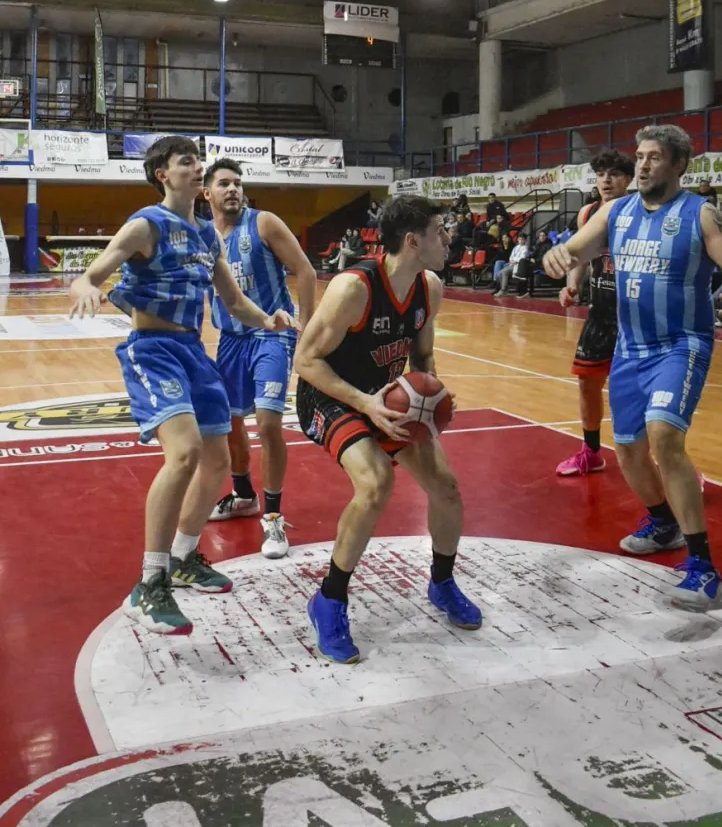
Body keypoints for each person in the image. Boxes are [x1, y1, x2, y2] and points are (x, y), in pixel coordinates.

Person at [69, 136, 295, 635]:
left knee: (218, 459)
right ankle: (150, 582)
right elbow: (95, 272)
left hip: (195, 352)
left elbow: (234, 302)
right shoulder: (146, 225)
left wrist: (270, 321)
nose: (197, 168)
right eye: (186, 162)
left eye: (198, 161)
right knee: (186, 453)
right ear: (163, 175)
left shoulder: (207, 237)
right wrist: (86, 285)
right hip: (153, 350)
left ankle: (185, 557)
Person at [544, 124, 722, 611]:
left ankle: (704, 567)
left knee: (664, 436)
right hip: (630, 348)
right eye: (639, 157)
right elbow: (574, 249)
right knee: (628, 451)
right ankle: (663, 523)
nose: (642, 165)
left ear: (679, 164)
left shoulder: (701, 215)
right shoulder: (616, 211)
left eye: (654, 158)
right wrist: (557, 256)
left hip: (681, 344)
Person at [294, 194, 482, 663]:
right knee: (376, 482)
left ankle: (442, 584)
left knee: (447, 487)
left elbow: (421, 355)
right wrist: (363, 403)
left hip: (388, 396)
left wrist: (431, 393)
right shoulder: (353, 287)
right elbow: (305, 361)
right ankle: (329, 600)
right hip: (333, 395)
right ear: (414, 241)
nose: (449, 237)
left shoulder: (430, 286)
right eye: (441, 230)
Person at [203, 158, 316, 558]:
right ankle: (244, 494)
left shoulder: (263, 222)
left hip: (271, 334)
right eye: (224, 184)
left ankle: (272, 517)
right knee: (229, 423)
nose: (233, 189)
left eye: (238, 183)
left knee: (268, 424)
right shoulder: (203, 237)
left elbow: (305, 270)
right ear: (207, 193)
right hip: (230, 340)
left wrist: (308, 328)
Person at [555, 149, 634, 476]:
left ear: (628, 179)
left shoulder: (640, 212)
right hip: (601, 313)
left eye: (614, 173)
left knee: (642, 397)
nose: (606, 180)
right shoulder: (588, 213)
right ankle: (591, 452)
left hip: (635, 316)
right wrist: (572, 285)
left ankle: (672, 464)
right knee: (587, 383)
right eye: (601, 174)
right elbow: (581, 259)